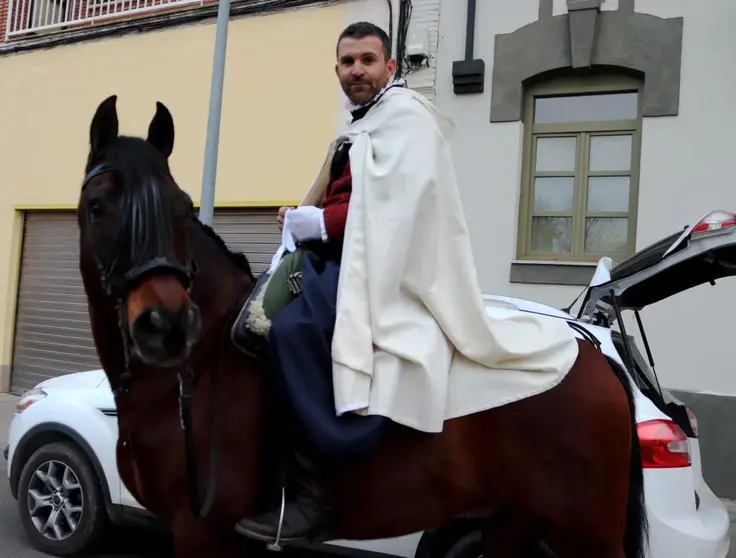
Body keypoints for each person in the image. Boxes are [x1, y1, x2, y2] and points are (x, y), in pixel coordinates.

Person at [232, 21, 401, 543]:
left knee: (289, 330)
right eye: (348, 62)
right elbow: (327, 196)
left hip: (369, 263)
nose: (357, 71)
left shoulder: (406, 124)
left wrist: (318, 224)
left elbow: (390, 204)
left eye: (368, 61)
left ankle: (314, 492)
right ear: (337, 70)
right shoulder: (353, 130)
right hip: (331, 256)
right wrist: (299, 215)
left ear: (389, 67)